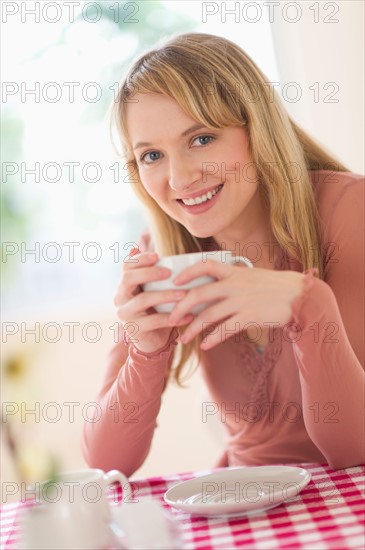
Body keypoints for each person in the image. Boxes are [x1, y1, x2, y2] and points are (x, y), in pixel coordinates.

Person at [82, 33, 364, 474]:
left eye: (201, 139)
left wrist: (310, 307)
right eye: (152, 155)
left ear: (256, 128)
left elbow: (353, 453)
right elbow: (105, 461)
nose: (178, 179)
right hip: (244, 512)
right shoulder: (163, 254)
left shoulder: (348, 211)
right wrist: (146, 349)